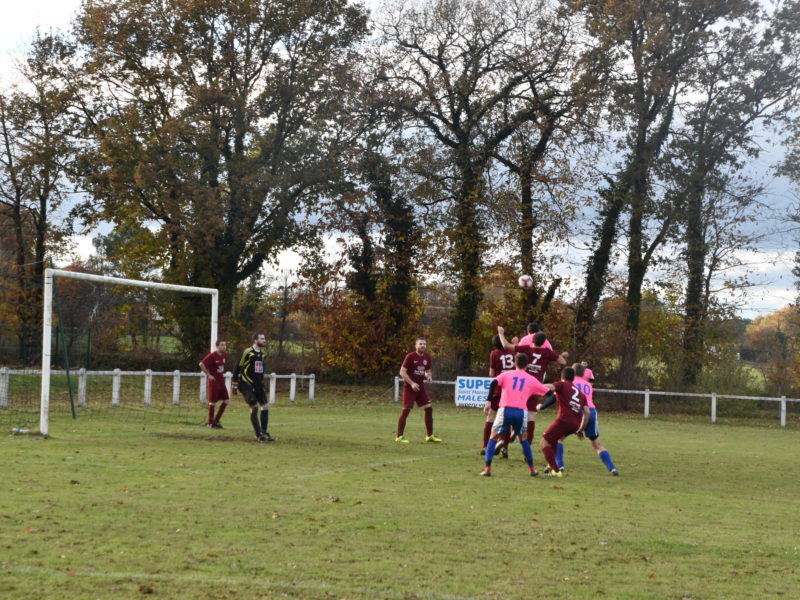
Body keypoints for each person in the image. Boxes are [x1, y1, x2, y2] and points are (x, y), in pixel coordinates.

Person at [479, 353, 550, 477]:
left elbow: (493, 383)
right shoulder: (531, 379)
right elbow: (548, 392)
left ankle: (487, 469)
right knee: (524, 440)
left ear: (514, 363)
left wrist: (489, 401)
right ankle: (532, 470)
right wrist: (546, 403)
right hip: (521, 412)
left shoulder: (506, 374)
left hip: (505, 410)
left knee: (493, 438)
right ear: (527, 365)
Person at [497, 326, 568, 449]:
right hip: (535, 387)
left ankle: (504, 439)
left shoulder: (527, 349)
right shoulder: (547, 352)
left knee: (512, 410)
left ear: (532, 340)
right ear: (544, 342)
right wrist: (558, 356)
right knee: (531, 417)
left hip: (521, 386)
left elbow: (507, 346)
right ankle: (527, 447)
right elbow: (563, 362)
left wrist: (501, 333)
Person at [548, 363, 618, 475]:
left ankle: (559, 466)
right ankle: (612, 468)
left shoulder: (569, 383)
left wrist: (542, 406)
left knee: (558, 439)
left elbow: (557, 396)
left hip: (576, 411)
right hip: (591, 412)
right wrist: (581, 429)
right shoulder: (588, 385)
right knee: (596, 444)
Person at [535, 366, 590, 477]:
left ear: (562, 376)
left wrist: (534, 385)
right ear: (573, 378)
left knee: (544, 443)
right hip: (575, 424)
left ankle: (556, 471)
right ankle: (550, 466)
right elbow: (587, 413)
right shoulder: (581, 394)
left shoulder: (562, 384)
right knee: (554, 440)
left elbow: (549, 387)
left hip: (564, 420)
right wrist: (580, 429)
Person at [396, 338, 442, 443]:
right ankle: (399, 436)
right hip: (409, 388)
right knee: (406, 410)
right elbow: (402, 372)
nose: (423, 346)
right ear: (416, 346)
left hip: (420, 387)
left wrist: (429, 376)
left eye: (424, 344)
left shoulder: (427, 357)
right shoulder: (410, 356)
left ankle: (429, 436)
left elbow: (427, 371)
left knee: (429, 408)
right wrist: (412, 383)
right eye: (420, 344)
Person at [232, 333, 275, 443]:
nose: (264, 340)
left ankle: (264, 432)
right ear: (255, 340)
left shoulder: (262, 354)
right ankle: (258, 434)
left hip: (258, 385)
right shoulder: (247, 352)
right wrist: (235, 384)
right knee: (254, 407)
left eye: (264, 338)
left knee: (265, 407)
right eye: (262, 338)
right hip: (246, 384)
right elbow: (237, 366)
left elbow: (259, 371)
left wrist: (261, 384)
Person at [481, 335, 515, 456]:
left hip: (498, 389)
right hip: (511, 390)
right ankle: (505, 447)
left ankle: (485, 446)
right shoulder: (513, 352)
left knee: (491, 417)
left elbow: (492, 374)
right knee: (508, 420)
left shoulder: (494, 353)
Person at [199, 340, 229, 429]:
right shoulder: (212, 356)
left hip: (221, 381)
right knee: (212, 402)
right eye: (222, 345)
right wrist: (209, 375)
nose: (224, 346)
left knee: (226, 400)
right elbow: (201, 364)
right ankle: (210, 423)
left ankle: (216, 420)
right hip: (214, 382)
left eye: (225, 345)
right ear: (217, 346)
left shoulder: (224, 355)